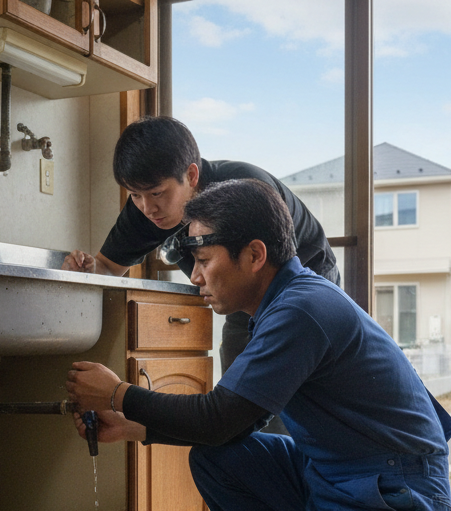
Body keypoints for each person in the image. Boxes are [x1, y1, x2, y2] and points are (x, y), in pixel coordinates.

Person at [65, 179, 451, 511]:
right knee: (217, 459)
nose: (195, 277)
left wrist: (119, 393)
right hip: (338, 474)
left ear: (254, 254)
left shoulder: (302, 310)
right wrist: (132, 427)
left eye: (205, 261)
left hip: (394, 497)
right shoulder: (279, 306)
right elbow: (228, 429)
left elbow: (218, 417)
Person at [62, 115, 338, 373]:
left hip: (302, 276)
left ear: (192, 176)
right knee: (237, 377)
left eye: (157, 193)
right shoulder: (145, 207)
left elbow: (270, 272)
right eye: (135, 195)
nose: (147, 208)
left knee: (287, 381)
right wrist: (86, 267)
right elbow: (108, 267)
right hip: (243, 295)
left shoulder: (244, 191)